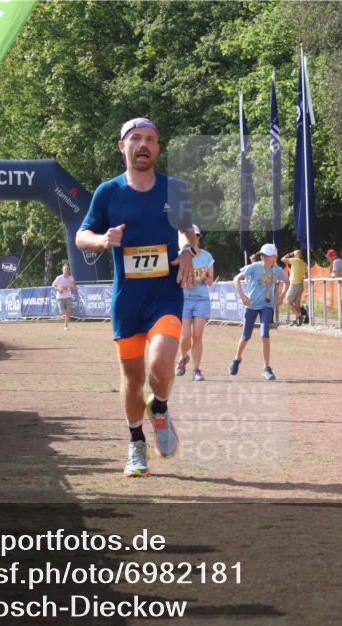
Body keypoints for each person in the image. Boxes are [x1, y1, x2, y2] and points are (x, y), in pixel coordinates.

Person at [75, 117, 197, 477]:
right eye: (136, 139)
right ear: (122, 146)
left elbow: (189, 233)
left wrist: (189, 250)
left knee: (160, 368)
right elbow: (82, 235)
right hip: (127, 300)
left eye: (150, 139)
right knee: (132, 379)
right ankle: (135, 444)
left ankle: (159, 408)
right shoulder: (108, 192)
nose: (143, 145)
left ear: (158, 148)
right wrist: (102, 240)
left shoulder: (173, 189)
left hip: (165, 294)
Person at [230, 243, 288, 381]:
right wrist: (243, 296)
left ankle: (266, 367)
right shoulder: (255, 267)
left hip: (267, 306)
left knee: (265, 334)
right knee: (246, 336)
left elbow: (288, 281)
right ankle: (237, 359)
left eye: (267, 255)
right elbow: (236, 279)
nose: (264, 257)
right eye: (262, 255)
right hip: (252, 306)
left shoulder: (278, 270)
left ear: (275, 257)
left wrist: (281, 296)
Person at [176, 225, 214, 381]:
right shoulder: (179, 255)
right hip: (184, 299)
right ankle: (183, 357)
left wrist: (203, 277)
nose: (193, 239)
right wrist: (184, 279)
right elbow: (175, 280)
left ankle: (197, 370)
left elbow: (210, 281)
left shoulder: (207, 257)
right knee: (185, 337)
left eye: (196, 236)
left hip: (201, 299)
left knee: (197, 336)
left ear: (198, 238)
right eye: (189, 235)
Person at [281, 249, 307, 325]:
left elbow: (282, 259)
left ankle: (299, 316)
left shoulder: (295, 260)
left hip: (294, 284)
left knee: (288, 301)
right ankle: (298, 321)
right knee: (297, 303)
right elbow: (306, 275)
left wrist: (290, 253)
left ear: (295, 255)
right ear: (301, 255)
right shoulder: (304, 263)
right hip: (300, 285)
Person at [326, 248, 342, 328]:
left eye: (329, 257)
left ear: (332, 256)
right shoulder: (339, 261)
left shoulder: (336, 262)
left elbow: (334, 275)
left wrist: (332, 274)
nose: (328, 258)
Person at [52, 263, 76, 331]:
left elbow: (74, 285)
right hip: (60, 297)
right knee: (62, 312)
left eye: (67, 269)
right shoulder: (59, 277)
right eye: (65, 269)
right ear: (62, 270)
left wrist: (71, 287)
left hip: (68, 296)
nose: (66, 270)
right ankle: (66, 315)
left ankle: (66, 326)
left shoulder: (71, 277)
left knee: (68, 312)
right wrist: (58, 289)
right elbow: (53, 285)